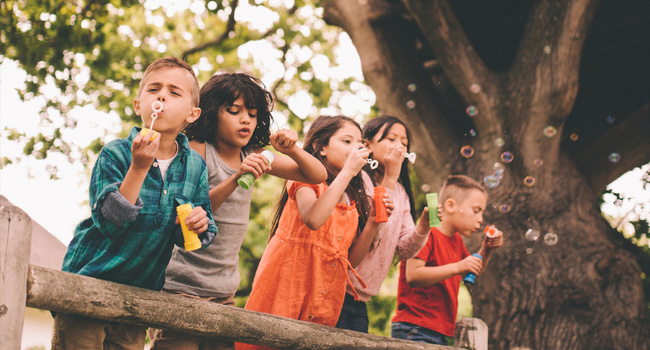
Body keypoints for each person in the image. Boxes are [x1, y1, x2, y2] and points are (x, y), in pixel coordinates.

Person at [150, 72, 327, 350]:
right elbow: (189, 212)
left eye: (253, 114)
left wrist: (293, 150)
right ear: (211, 113)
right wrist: (235, 179)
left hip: (223, 293)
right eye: (234, 111)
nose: (245, 119)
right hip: (180, 288)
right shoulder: (196, 151)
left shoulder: (254, 155)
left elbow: (317, 175)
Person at [52, 57, 218, 349]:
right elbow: (110, 223)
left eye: (174, 92)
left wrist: (197, 223)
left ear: (192, 114)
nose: (162, 95)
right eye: (154, 89)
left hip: (138, 299)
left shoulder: (195, 166)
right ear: (138, 105)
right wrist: (139, 168)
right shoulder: (116, 154)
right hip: (89, 284)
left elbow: (190, 237)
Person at [237, 115, 391, 350]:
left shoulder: (351, 199)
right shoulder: (304, 179)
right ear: (321, 148)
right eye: (347, 141)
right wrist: (348, 172)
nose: (356, 148)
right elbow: (313, 219)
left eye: (360, 143)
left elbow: (347, 261)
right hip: (287, 287)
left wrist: (372, 223)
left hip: (322, 298)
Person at [335, 115, 431, 333]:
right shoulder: (356, 178)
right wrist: (390, 176)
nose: (398, 146)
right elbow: (371, 226)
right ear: (367, 145)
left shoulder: (401, 193)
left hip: (360, 300)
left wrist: (423, 227)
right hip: (334, 289)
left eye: (404, 143)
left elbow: (405, 250)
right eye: (391, 139)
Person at [391, 175, 504, 345]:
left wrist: (487, 248)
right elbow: (413, 276)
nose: (480, 219)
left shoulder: (456, 240)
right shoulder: (426, 233)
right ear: (450, 206)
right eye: (476, 210)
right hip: (414, 327)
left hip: (439, 330)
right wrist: (458, 266)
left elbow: (473, 271)